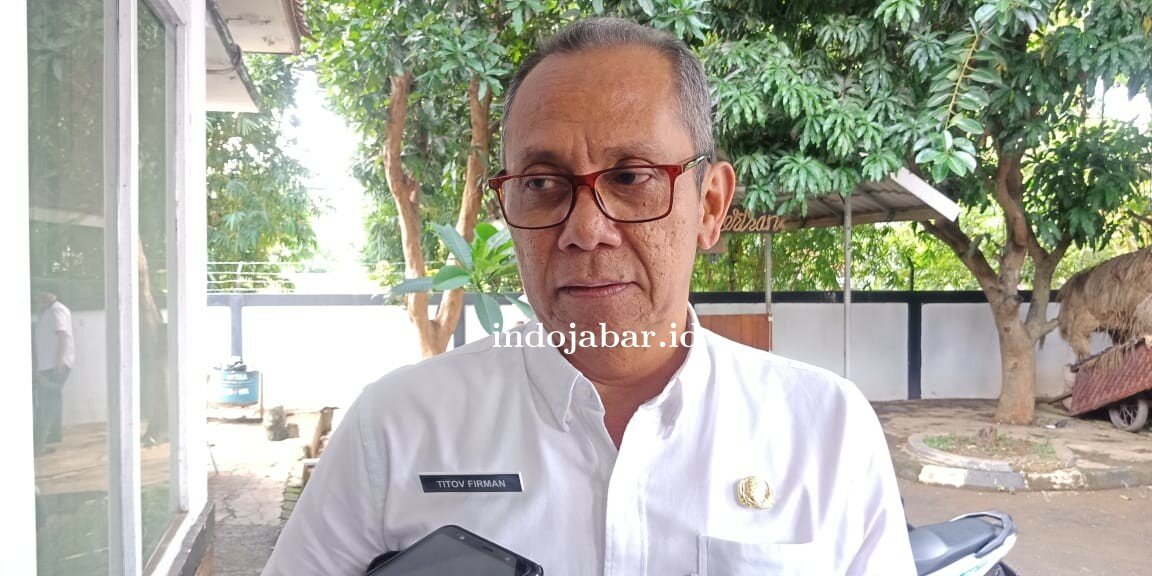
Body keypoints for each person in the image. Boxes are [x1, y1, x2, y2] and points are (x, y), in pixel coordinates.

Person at [263, 18, 915, 575]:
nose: (585, 229)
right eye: (542, 183)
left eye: (631, 177)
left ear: (711, 205)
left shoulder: (824, 429)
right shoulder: (396, 427)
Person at [33, 285, 75, 454]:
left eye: (46, 291)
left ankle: (39, 446)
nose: (41, 294)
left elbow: (62, 336)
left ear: (54, 294)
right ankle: (46, 440)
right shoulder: (46, 311)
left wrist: (59, 363)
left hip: (54, 366)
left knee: (47, 404)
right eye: (40, 292)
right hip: (47, 366)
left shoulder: (57, 310)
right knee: (49, 402)